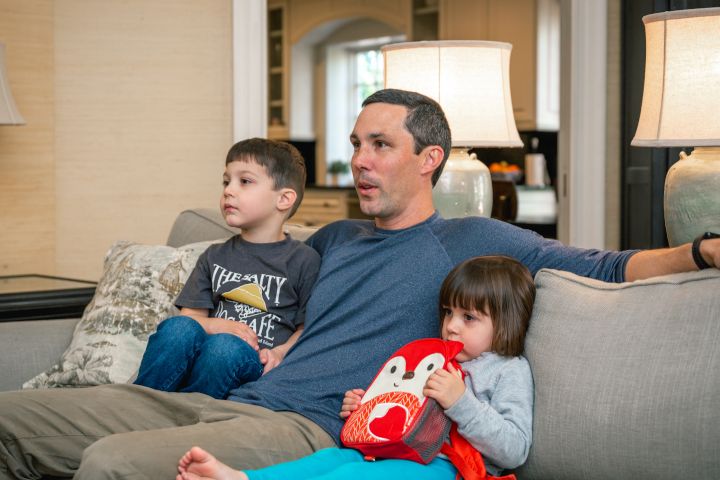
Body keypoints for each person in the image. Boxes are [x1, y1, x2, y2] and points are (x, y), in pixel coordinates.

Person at [0, 89, 718, 480]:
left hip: (305, 426)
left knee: (112, 463)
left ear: (429, 159)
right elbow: (253, 281)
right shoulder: (332, 239)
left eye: (381, 145)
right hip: (221, 398)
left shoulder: (473, 239)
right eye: (355, 145)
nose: (360, 160)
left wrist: (701, 251)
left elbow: (605, 266)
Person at [174, 255, 536, 480]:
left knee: (349, 473)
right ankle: (243, 478)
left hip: (450, 468)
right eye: (448, 313)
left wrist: (461, 402)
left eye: (469, 318)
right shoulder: (432, 356)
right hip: (391, 451)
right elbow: (403, 410)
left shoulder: (508, 370)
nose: (451, 326)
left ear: (505, 323)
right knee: (332, 458)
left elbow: (514, 449)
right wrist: (366, 410)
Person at [132, 138, 320, 400]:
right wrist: (216, 325)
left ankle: (185, 411)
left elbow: (307, 330)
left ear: (284, 199)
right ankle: (138, 403)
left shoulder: (304, 260)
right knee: (177, 328)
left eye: (245, 181)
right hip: (203, 354)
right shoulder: (214, 256)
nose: (229, 191)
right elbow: (190, 319)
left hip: (251, 362)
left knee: (224, 347)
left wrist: (279, 353)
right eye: (226, 181)